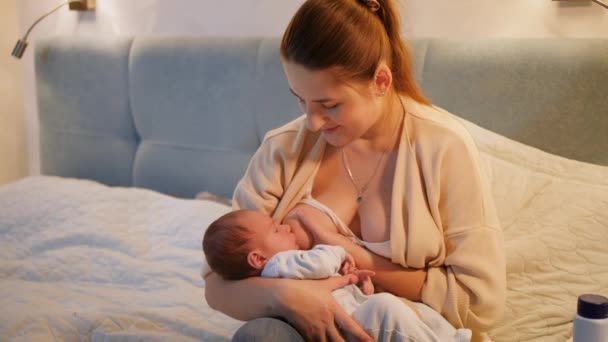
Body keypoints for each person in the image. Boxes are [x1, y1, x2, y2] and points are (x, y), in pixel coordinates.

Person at [203, 0, 506, 341]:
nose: (312, 123)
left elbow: (479, 303)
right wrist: (288, 297)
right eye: (300, 99)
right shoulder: (283, 149)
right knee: (261, 336)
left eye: (329, 105)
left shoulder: (443, 148)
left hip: (400, 327)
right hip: (302, 325)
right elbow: (217, 284)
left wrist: (349, 254)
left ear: (380, 80)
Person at [203, 208, 473, 342]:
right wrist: (335, 249)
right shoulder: (279, 265)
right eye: (276, 229)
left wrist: (358, 279)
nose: (286, 227)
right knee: (386, 309)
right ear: (257, 258)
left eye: (330, 105)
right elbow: (318, 264)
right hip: (336, 325)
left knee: (401, 309)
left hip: (351, 315)